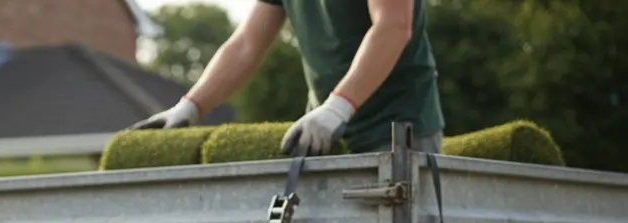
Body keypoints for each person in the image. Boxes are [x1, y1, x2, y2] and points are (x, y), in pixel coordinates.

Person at [130, 0, 444, 156]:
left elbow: (393, 26)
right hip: (324, 131)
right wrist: (189, 107)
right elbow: (246, 45)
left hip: (398, 129)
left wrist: (338, 108)